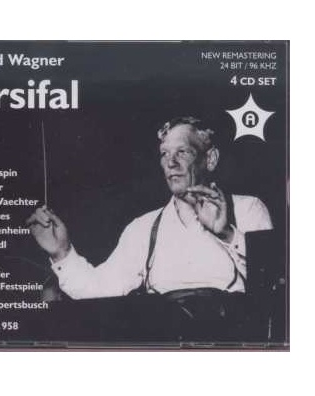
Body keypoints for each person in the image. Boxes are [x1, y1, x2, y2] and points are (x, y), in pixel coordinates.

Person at [27, 117, 273, 304]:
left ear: (210, 159)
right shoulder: (142, 228)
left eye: (182, 152)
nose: (171, 163)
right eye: (164, 154)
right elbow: (98, 288)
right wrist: (62, 253)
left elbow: (272, 287)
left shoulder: (248, 209)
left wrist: (227, 233)